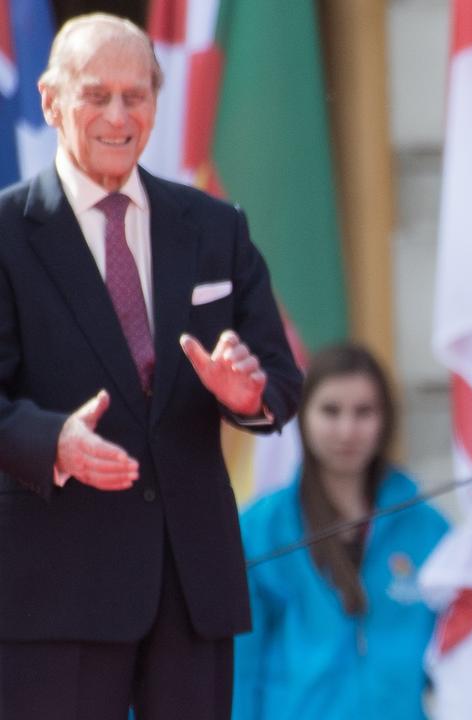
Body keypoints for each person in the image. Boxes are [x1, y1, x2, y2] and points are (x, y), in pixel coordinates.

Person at [0, 13, 302, 719]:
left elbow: (280, 385)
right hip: (55, 594)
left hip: (193, 590)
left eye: (135, 96)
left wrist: (245, 392)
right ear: (49, 100)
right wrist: (53, 443)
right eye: (96, 94)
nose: (118, 115)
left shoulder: (214, 227)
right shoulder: (7, 235)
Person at [234, 343, 451, 719]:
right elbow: (241, 665)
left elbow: (455, 651)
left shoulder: (429, 528)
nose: (347, 430)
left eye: (364, 411)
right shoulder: (260, 528)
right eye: (330, 411)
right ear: (303, 415)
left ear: (386, 418)